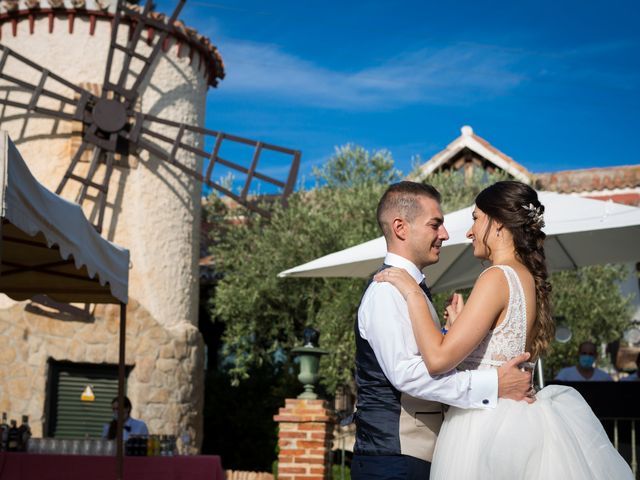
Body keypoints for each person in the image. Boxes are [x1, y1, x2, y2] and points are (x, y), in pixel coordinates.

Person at [376, 180, 633, 479]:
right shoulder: (526, 277)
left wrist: (413, 293)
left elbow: (437, 359)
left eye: (475, 219)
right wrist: (460, 328)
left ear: (497, 223)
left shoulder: (496, 277)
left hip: (486, 426)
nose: (470, 231)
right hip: (517, 419)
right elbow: (499, 348)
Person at [351, 181, 533, 480]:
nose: (445, 235)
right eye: (435, 225)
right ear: (401, 228)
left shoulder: (412, 290)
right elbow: (407, 374)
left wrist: (452, 335)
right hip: (394, 457)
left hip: (418, 456)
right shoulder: (387, 292)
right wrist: (493, 385)